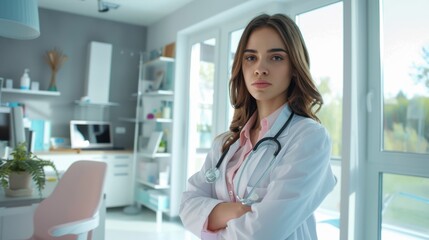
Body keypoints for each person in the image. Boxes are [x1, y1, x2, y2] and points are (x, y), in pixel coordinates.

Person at [179, 13, 336, 240]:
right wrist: (236, 211)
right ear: (241, 67)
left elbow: (261, 234)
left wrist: (212, 219)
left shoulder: (309, 137)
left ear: (294, 67)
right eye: (251, 58)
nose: (260, 68)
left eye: (276, 58)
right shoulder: (225, 144)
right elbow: (187, 205)